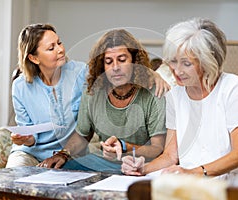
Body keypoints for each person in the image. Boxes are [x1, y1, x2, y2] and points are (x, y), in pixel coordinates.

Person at [121, 18, 238, 188]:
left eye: (186, 63)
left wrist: (194, 173)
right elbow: (171, 155)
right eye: (172, 61)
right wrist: (143, 168)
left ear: (208, 62)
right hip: (194, 180)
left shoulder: (232, 88)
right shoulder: (175, 95)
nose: (177, 71)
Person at [39, 29, 167, 174]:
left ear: (134, 61)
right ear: (102, 66)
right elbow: (82, 135)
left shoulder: (153, 91)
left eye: (122, 60)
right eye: (108, 62)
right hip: (103, 162)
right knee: (58, 172)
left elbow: (157, 148)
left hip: (141, 164)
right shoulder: (93, 90)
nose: (115, 67)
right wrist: (63, 154)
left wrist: (125, 147)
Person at [5, 23, 88, 168]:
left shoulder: (81, 73)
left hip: (69, 152)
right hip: (30, 153)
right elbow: (30, 137)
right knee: (15, 176)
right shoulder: (20, 86)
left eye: (59, 43)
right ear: (34, 58)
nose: (61, 50)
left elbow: (88, 124)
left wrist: (63, 154)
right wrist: (25, 139)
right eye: (51, 48)